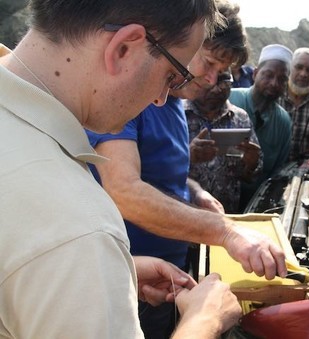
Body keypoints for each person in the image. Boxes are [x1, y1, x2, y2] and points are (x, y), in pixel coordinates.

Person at [0, 0, 242, 338]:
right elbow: (63, 243)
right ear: (124, 48)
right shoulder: (79, 230)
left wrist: (112, 272)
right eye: (172, 75)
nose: (162, 97)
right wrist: (205, 321)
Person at [85, 2, 287, 337]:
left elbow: (165, 176)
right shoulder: (131, 96)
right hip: (129, 276)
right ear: (185, 42)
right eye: (208, 62)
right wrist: (225, 231)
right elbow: (123, 191)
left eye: (221, 70)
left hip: (165, 274)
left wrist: (196, 192)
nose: (211, 80)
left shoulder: (174, 102)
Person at [185, 69, 262, 213]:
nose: (215, 90)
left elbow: (249, 177)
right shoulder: (179, 115)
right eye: (209, 84)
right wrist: (187, 156)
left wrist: (251, 163)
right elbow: (157, 169)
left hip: (225, 216)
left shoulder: (241, 118)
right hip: (183, 212)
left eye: (223, 84)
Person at [229, 43, 293, 210]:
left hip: (253, 206)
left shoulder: (284, 122)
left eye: (282, 79)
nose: (273, 83)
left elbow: (277, 172)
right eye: (268, 75)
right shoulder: (229, 99)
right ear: (255, 73)